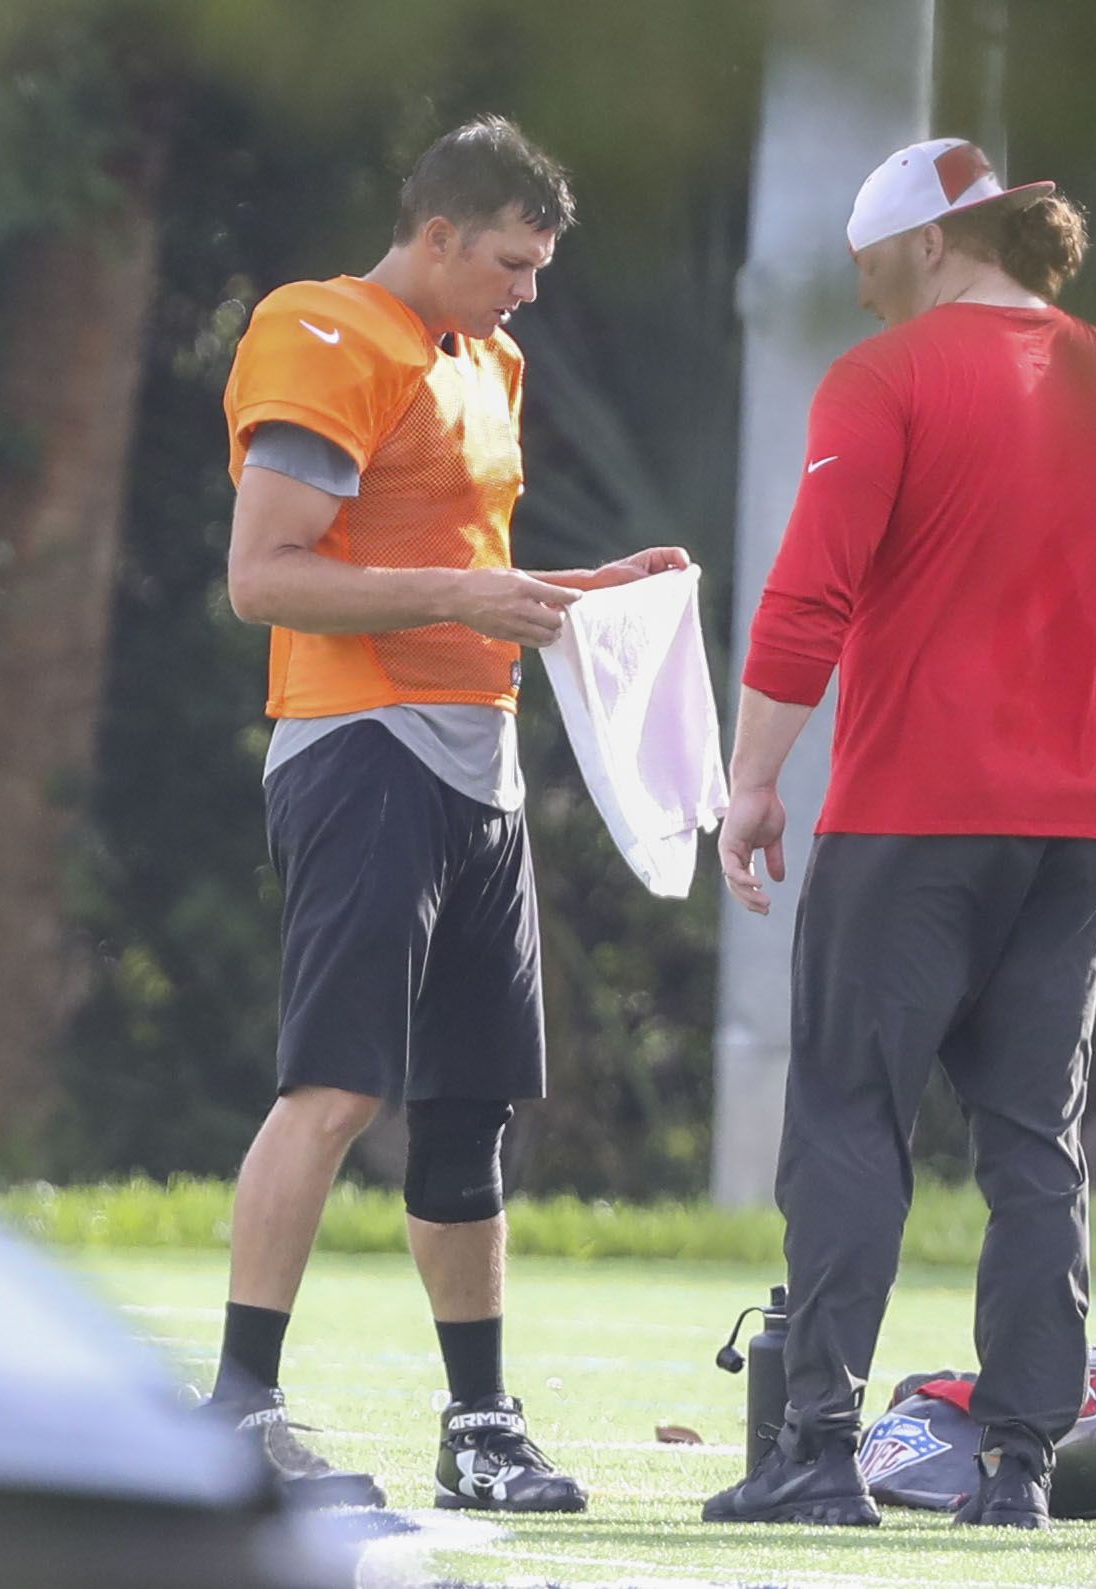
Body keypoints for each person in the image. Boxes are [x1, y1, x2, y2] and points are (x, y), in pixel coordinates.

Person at [704, 138, 1096, 1530]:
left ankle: (816, 1452)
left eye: (871, 272)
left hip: (911, 820)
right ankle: (1021, 1470)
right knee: (1032, 1142)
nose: (865, 303)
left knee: (851, 1122)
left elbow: (809, 596)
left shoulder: (890, 378)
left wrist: (751, 781)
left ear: (931, 244)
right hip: (1084, 834)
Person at [213, 115, 687, 1509]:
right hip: (356, 748)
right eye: (507, 260)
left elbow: (456, 564)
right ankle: (238, 1409)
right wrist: (465, 598)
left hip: (476, 756)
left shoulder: (493, 359)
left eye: (537, 267)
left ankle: (481, 1425)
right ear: (433, 234)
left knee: (472, 1107)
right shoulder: (323, 331)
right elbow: (265, 576)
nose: (524, 288)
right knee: (337, 1087)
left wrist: (577, 592)